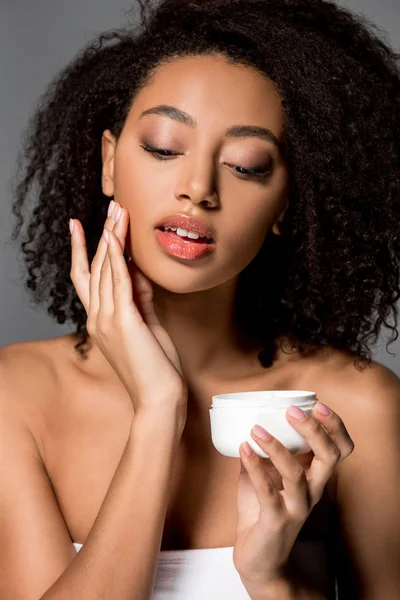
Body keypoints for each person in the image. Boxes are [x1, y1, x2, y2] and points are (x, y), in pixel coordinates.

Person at [1, 0, 400, 598]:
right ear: (109, 162)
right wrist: (159, 410)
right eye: (164, 148)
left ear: (287, 206)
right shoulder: (18, 395)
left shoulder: (352, 408)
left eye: (246, 165)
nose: (197, 189)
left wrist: (270, 580)